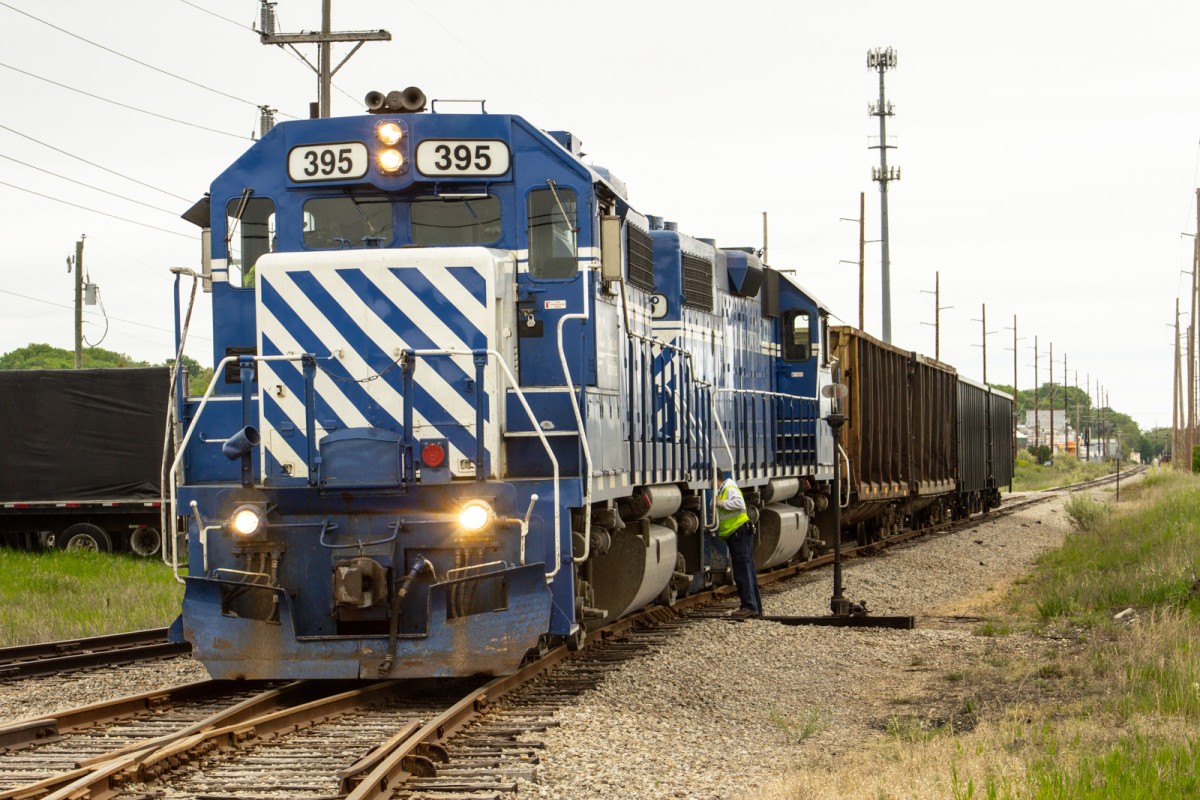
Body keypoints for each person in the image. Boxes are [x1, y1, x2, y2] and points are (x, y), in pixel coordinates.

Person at [714, 468, 762, 618]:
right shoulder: (725, 489)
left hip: (738, 533)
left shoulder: (729, 487)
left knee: (742, 570)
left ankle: (748, 606)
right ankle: (755, 607)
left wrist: (721, 503)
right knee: (747, 569)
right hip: (737, 533)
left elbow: (739, 503)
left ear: (714, 479)